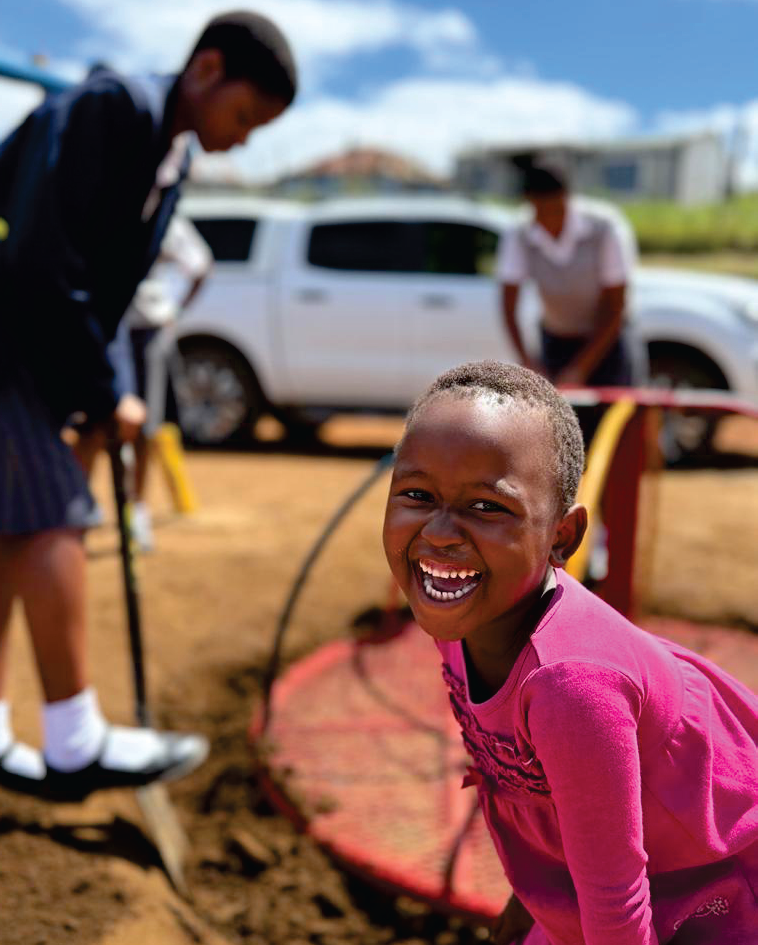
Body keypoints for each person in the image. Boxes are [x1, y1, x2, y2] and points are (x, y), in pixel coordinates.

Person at [0, 10, 296, 800]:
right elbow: (40, 255)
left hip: (30, 339)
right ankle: (74, 741)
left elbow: (107, 288)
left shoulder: (171, 154)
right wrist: (101, 391)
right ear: (206, 69)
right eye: (244, 116)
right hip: (11, 328)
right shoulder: (113, 108)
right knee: (52, 516)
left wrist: (109, 389)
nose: (241, 138)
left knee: (13, 527)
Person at [383, 360, 758, 944]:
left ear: (563, 537)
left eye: (487, 506)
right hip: (608, 885)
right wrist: (530, 898)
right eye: (416, 494)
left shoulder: (571, 689)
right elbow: (553, 798)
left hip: (708, 890)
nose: (439, 532)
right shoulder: (461, 610)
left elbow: (617, 908)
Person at [74, 215, 214, 551]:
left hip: (147, 329)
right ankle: (80, 504)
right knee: (92, 424)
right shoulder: (95, 203)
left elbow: (201, 266)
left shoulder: (167, 217)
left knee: (144, 427)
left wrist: (174, 311)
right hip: (102, 327)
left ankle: (136, 510)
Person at [497, 157, 639, 417]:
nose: (550, 220)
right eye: (542, 211)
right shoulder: (519, 234)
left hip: (607, 342)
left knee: (613, 421)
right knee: (556, 425)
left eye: (556, 210)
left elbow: (616, 305)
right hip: (556, 342)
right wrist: (528, 362)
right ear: (530, 203)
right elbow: (508, 304)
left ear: (567, 198)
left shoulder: (605, 228)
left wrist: (580, 368)